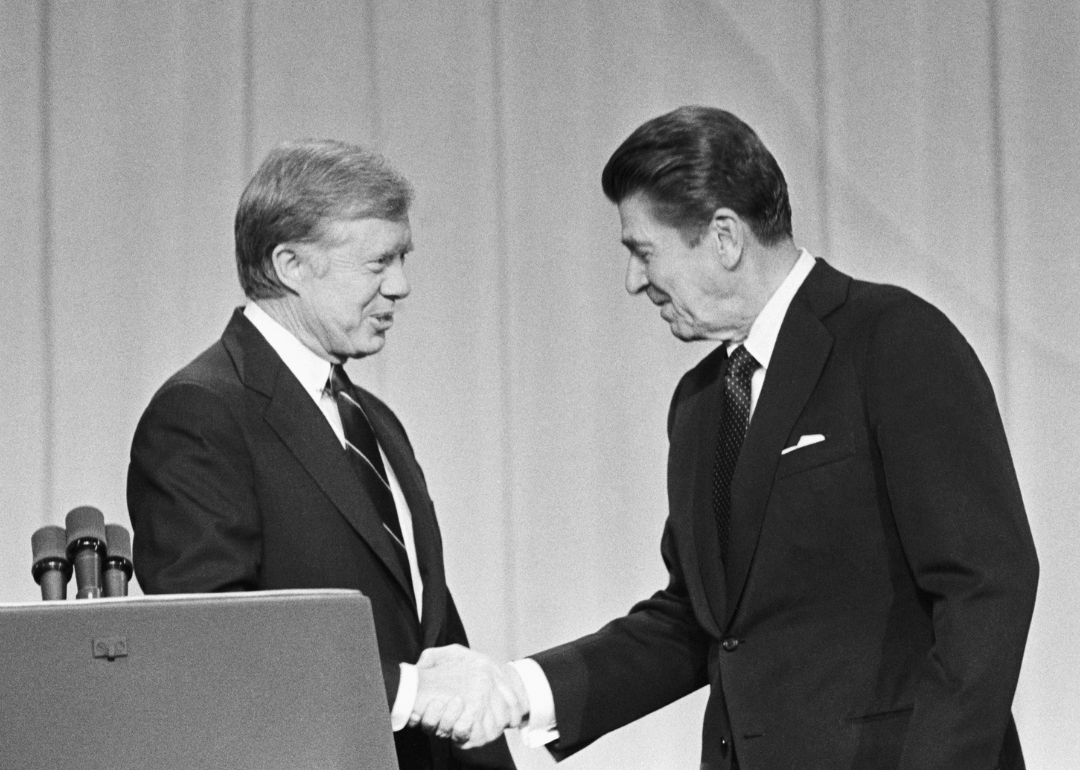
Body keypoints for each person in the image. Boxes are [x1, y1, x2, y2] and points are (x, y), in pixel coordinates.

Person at [410, 107, 1039, 770]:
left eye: (642, 250)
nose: (633, 281)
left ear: (723, 237)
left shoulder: (893, 341)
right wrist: (517, 689)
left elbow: (986, 583)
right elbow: (696, 623)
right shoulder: (701, 403)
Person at [127, 139, 517, 770]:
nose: (402, 286)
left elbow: (425, 628)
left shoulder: (373, 417)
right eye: (379, 262)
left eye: (403, 258)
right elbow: (212, 645)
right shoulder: (201, 414)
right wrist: (412, 693)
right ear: (290, 264)